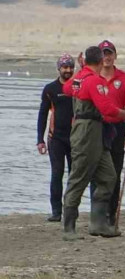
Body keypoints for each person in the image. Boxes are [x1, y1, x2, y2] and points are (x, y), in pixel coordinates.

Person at [61, 46, 125, 240]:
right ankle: (69, 228)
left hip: (97, 130)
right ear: (98, 61)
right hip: (87, 131)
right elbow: (107, 108)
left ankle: (98, 223)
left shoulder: (80, 77)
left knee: (108, 176)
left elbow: (66, 88)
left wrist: (80, 71)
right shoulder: (93, 80)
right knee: (79, 177)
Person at [96, 40, 125, 228]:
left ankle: (110, 214)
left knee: (114, 173)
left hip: (117, 130)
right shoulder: (92, 77)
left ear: (115, 55)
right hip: (96, 128)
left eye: (109, 53)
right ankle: (97, 214)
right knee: (95, 172)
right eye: (103, 53)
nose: (106, 57)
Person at [37, 54, 75, 222]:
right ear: (59, 68)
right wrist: (40, 139)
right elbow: (42, 115)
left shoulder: (78, 87)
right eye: (65, 67)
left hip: (76, 138)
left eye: (70, 67)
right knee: (57, 174)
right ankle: (56, 212)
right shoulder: (50, 89)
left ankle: (71, 210)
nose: (67, 70)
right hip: (56, 139)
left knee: (75, 176)